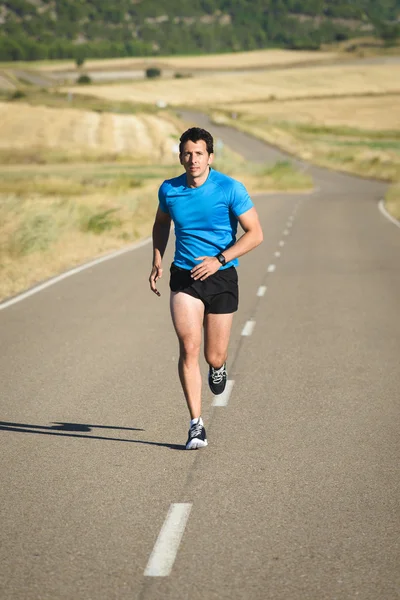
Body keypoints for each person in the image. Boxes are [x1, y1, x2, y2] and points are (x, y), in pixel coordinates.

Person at [149, 127, 263, 450]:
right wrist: (157, 257)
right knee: (188, 347)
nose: (192, 159)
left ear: (210, 157)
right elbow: (161, 223)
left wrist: (219, 259)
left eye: (199, 153)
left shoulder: (230, 189)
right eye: (187, 153)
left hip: (221, 277)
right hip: (184, 277)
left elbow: (255, 233)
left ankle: (218, 365)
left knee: (214, 354)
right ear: (180, 156)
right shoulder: (169, 190)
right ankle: (196, 425)